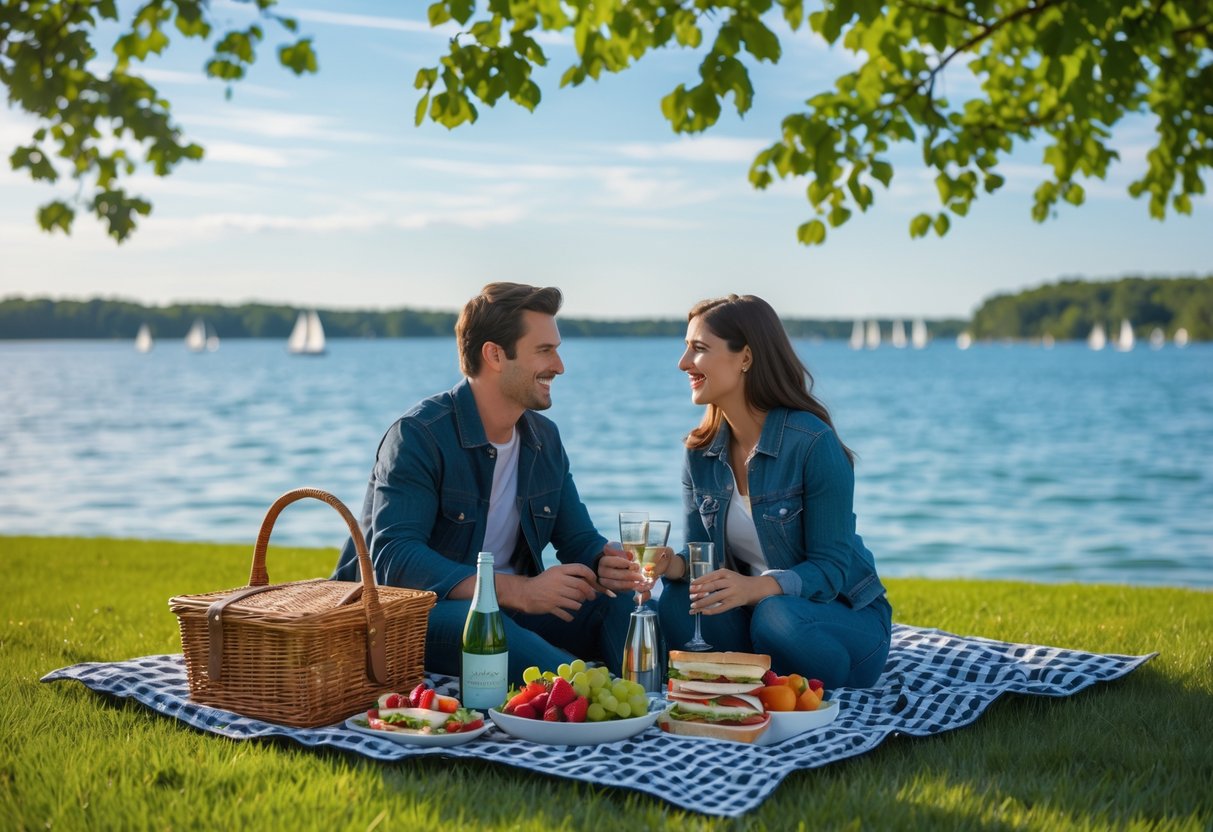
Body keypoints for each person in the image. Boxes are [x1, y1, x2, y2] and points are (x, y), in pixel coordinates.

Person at [332, 282, 636, 680]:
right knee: (484, 620)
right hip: (416, 615)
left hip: (511, 608)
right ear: (494, 354)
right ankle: (580, 692)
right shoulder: (418, 436)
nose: (559, 366)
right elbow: (395, 559)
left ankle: (650, 699)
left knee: (622, 602)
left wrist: (606, 561)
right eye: (545, 351)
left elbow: (578, 540)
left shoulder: (544, 439)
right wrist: (520, 591)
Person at [645, 294, 893, 690]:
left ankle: (751, 676)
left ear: (744, 358)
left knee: (774, 616)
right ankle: (756, 682)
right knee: (679, 601)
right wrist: (671, 566)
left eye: (699, 348)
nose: (683, 362)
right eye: (686, 347)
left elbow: (831, 570)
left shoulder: (813, 443)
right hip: (759, 618)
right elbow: (704, 564)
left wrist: (756, 589)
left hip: (836, 620)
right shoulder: (700, 453)